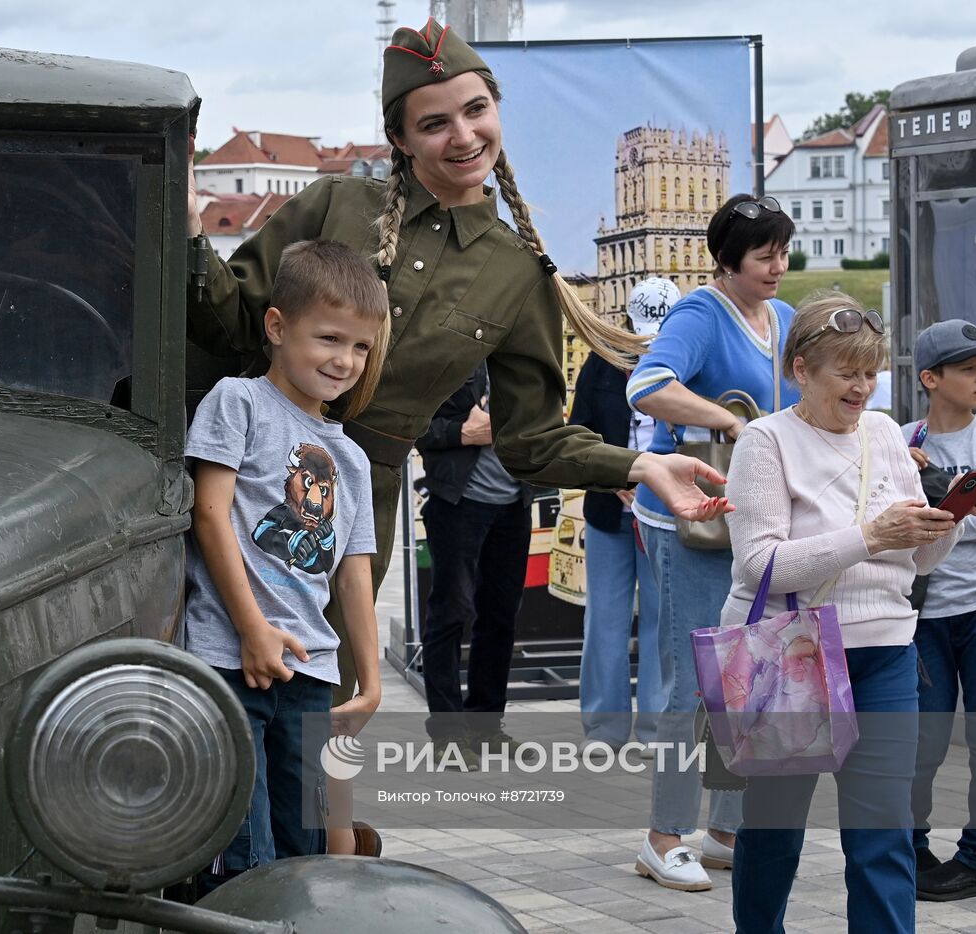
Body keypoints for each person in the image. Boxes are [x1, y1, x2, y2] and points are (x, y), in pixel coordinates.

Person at [185, 20, 730, 852]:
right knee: (208, 682)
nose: (462, 135)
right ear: (400, 137)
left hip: (344, 509)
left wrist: (642, 466)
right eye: (434, 122)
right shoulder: (339, 205)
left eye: (475, 111)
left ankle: (320, 867)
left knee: (317, 711)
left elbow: (530, 440)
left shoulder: (518, 273)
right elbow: (230, 322)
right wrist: (186, 224)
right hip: (233, 468)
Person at [724, 293, 976, 932]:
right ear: (801, 370)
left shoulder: (887, 433)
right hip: (794, 657)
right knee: (775, 831)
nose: (863, 387)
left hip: (888, 655)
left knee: (883, 837)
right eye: (847, 372)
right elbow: (761, 565)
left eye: (871, 372)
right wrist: (871, 535)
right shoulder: (765, 439)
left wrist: (943, 525)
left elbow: (917, 565)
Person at [183, 240, 388, 889]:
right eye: (329, 338)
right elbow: (209, 514)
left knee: (309, 852)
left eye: (360, 346)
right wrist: (251, 629)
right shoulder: (236, 404)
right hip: (230, 659)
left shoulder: (350, 460)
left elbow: (354, 576)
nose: (345, 361)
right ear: (277, 327)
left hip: (309, 675)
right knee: (245, 852)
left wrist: (371, 684)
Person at [627, 195, 797, 890]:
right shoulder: (699, 313)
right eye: (765, 257)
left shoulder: (784, 319)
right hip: (692, 523)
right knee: (693, 684)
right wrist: (734, 426)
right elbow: (648, 386)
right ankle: (662, 835)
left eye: (785, 253)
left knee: (749, 675)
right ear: (727, 261)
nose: (779, 267)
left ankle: (726, 829)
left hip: (755, 524)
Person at [905, 319, 976, 902]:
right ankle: (911, 847)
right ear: (930, 379)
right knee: (921, 743)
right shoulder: (899, 441)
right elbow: (890, 520)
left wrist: (932, 498)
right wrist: (959, 497)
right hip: (921, 615)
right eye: (968, 368)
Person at [571, 277, 678, 751]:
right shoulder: (601, 363)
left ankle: (657, 727)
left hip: (668, 513)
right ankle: (604, 727)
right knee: (606, 619)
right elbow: (578, 432)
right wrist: (612, 477)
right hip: (608, 511)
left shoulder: (688, 364)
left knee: (663, 620)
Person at [414, 361, 535, 751]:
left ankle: (485, 726)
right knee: (450, 613)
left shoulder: (522, 359)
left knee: (501, 616)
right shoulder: (448, 353)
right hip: (458, 503)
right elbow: (409, 426)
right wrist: (462, 432)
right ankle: (448, 733)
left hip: (514, 504)